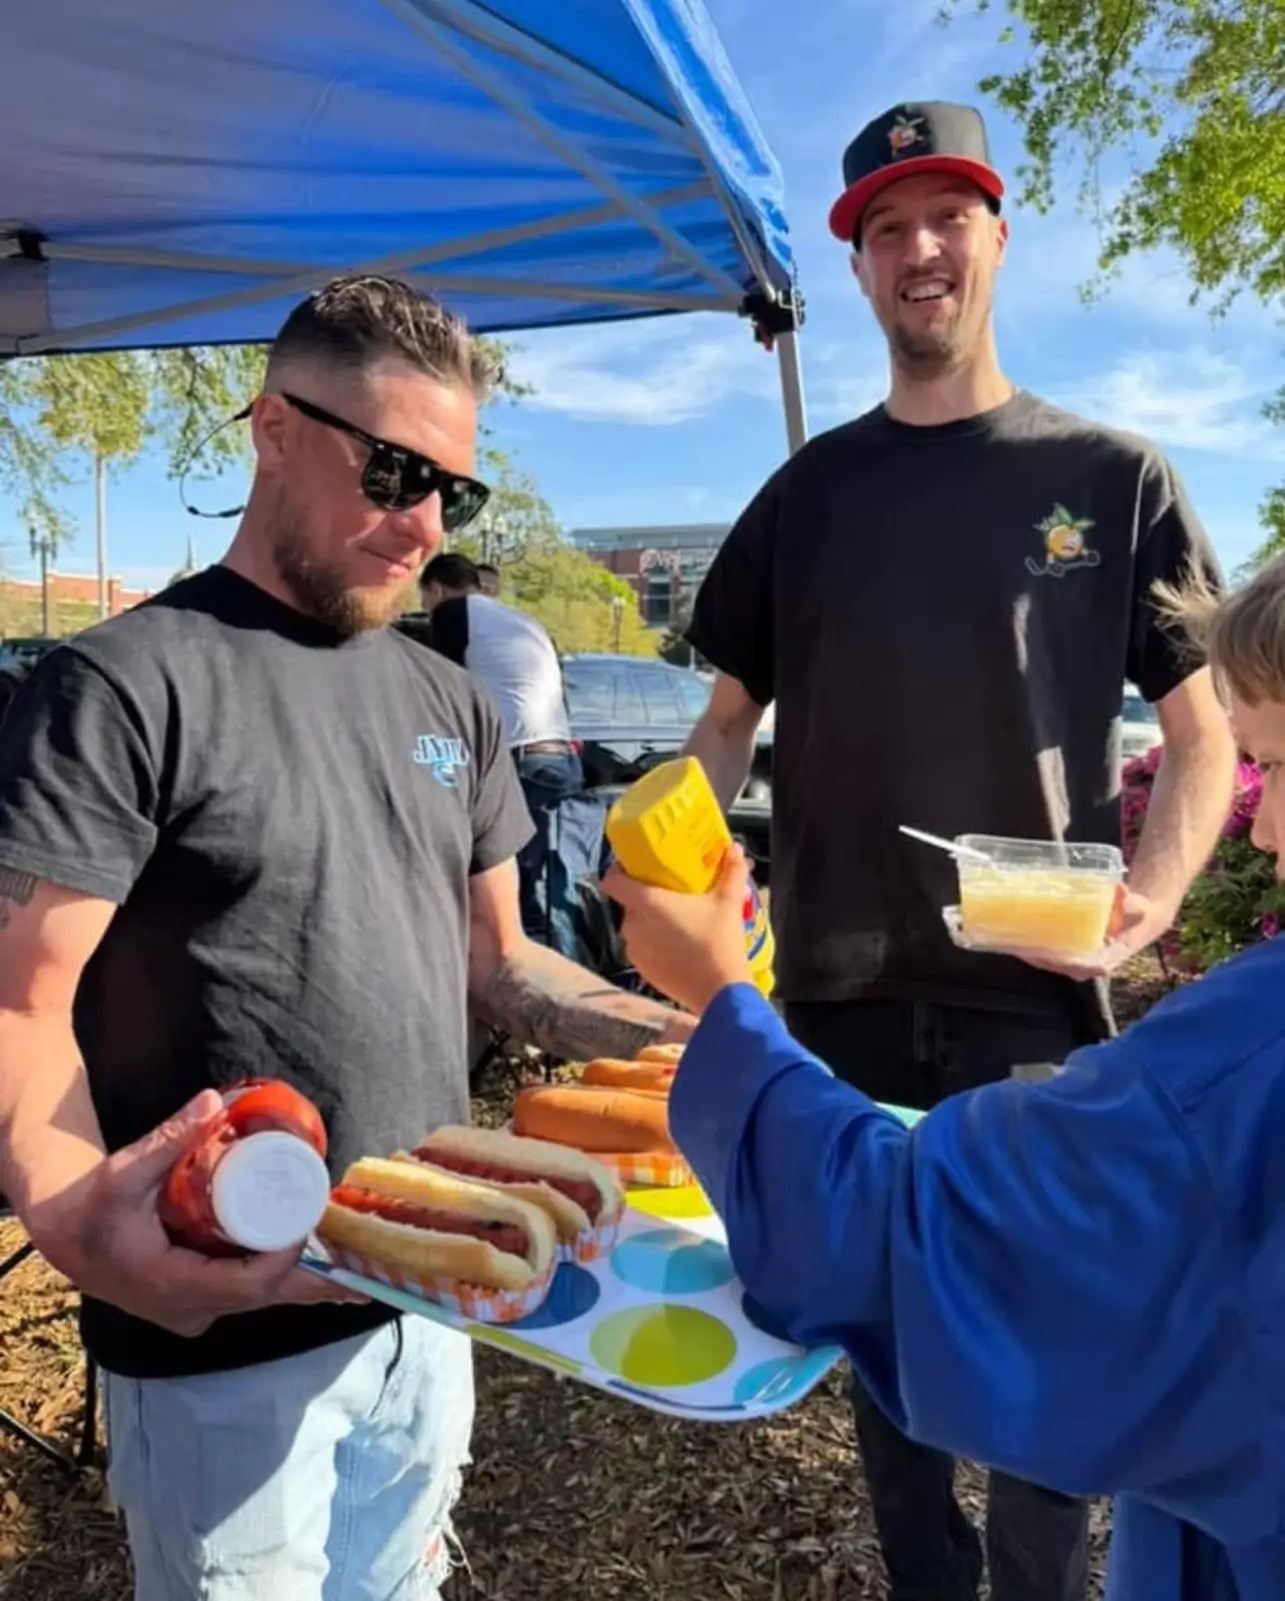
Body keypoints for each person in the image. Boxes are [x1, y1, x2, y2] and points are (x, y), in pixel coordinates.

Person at [0, 274, 691, 1601]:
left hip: (431, 1290)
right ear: (269, 429)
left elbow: (498, 962)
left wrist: (691, 1033)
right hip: (213, 1321)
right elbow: (23, 1008)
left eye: (455, 491)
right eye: (390, 469)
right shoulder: (120, 685)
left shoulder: (451, 697)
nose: (424, 523)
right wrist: (89, 1236)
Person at [680, 99, 1238, 1601]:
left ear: (996, 235)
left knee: (1052, 1380)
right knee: (896, 1375)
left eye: (947, 216)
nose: (919, 250)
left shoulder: (1111, 477)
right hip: (840, 994)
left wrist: (1153, 899)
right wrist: (677, 864)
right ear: (857, 265)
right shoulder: (807, 497)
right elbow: (724, 719)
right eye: (886, 228)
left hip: (1032, 996)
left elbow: (1206, 735)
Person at [604, 551, 1285, 1601]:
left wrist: (721, 996)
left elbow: (900, 1230)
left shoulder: (1241, 1062)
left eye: (1278, 765)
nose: (1267, 826)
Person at [411, 552, 600, 964]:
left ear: (436, 589)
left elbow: (440, 688)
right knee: (551, 885)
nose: (427, 611)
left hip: (517, 758)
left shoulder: (453, 613)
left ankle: (514, 985)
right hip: (559, 754)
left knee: (503, 882)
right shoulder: (523, 622)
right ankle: (568, 980)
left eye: (425, 601)